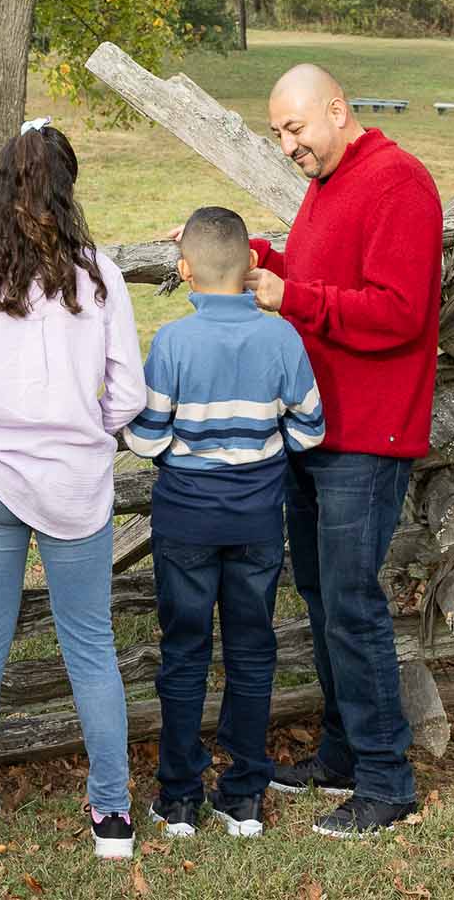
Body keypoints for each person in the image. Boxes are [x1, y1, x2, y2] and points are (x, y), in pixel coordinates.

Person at [0, 119, 144, 861]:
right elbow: (128, 395)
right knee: (91, 644)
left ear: (0, 185)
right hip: (77, 478)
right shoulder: (98, 275)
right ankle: (112, 814)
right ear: (66, 186)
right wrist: (83, 423)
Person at [246, 64, 441, 839]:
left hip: (367, 433)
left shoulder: (399, 182)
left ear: (336, 108)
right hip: (317, 428)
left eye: (295, 127)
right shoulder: (332, 181)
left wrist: (289, 297)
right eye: (277, 134)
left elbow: (398, 312)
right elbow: (319, 276)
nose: (288, 144)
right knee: (325, 600)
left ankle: (388, 779)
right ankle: (342, 754)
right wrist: (250, 251)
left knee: (352, 605)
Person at [123, 206, 325, 839]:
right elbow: (310, 428)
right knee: (251, 650)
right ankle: (243, 795)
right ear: (251, 267)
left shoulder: (175, 342)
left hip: (186, 518)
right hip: (258, 517)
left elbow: (147, 438)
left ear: (186, 272)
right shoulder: (281, 338)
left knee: (184, 652)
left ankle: (178, 796)